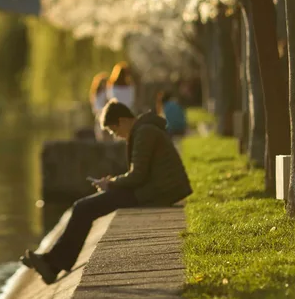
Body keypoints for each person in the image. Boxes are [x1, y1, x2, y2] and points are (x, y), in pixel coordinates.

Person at [20, 100, 193, 285]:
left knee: (84, 207)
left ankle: (52, 264)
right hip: (154, 189)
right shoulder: (144, 131)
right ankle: (52, 265)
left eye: (113, 130)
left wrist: (111, 183)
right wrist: (113, 183)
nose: (116, 135)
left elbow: (138, 176)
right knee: (84, 207)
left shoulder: (144, 133)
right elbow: (139, 175)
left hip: (158, 192)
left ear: (123, 120)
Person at [88, 72, 113, 141]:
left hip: (108, 116)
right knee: (101, 137)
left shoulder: (108, 93)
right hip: (100, 117)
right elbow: (96, 107)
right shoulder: (96, 94)